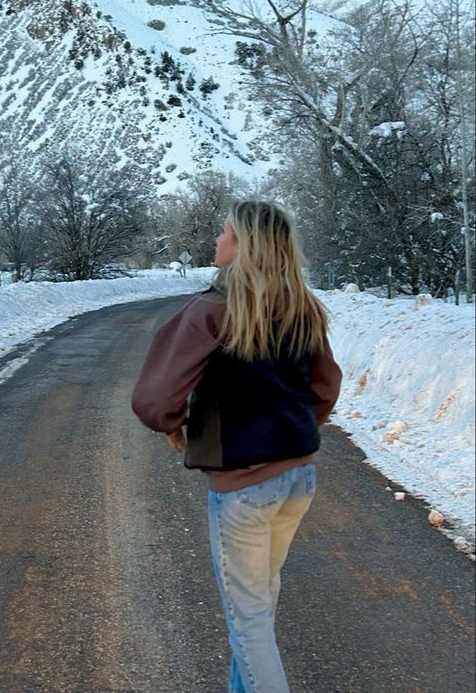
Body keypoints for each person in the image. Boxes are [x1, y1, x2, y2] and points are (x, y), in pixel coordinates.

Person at [131, 199, 342, 693]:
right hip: (298, 479)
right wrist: (290, 431)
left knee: (249, 623)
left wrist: (172, 422)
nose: (216, 240)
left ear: (243, 244)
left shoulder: (212, 309)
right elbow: (326, 386)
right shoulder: (301, 306)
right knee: (258, 608)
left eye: (224, 232)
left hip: (244, 488)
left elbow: (154, 396)